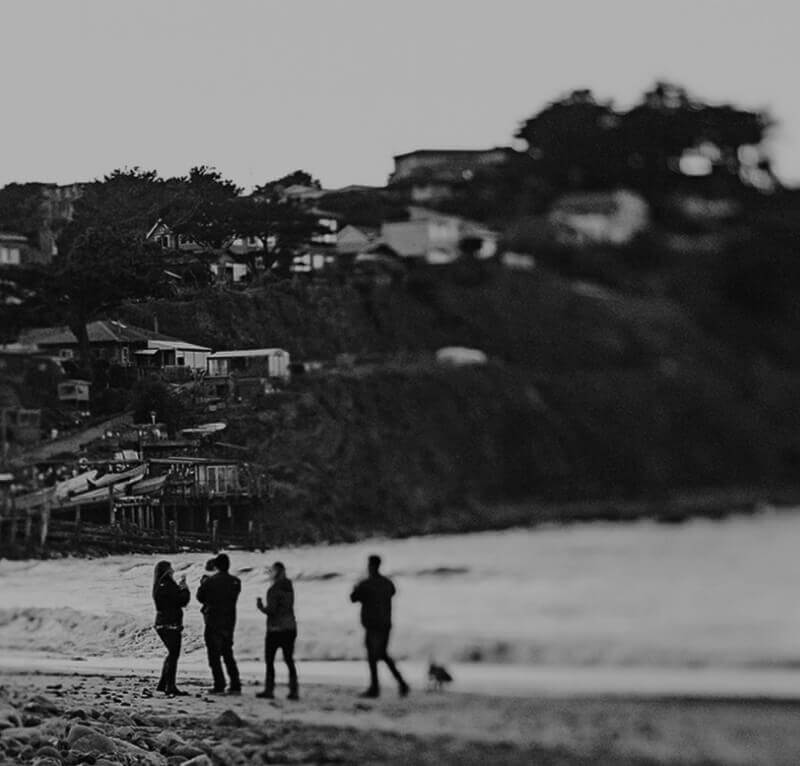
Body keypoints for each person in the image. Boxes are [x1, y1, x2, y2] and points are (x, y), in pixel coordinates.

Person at [350, 554, 409, 698]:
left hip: (372, 625)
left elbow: (353, 598)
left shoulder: (366, 584)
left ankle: (376, 687)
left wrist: (356, 587)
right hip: (385, 623)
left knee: (374, 656)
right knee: (382, 654)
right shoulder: (387, 583)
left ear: (371, 565)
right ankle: (400, 683)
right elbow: (393, 593)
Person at [196, 553, 242, 694]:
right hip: (229, 620)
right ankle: (235, 684)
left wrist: (203, 584)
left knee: (214, 655)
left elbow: (200, 597)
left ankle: (219, 684)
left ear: (216, 566)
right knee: (228, 653)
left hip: (213, 620)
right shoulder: (235, 581)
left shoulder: (210, 581)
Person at [256, 561, 299, 700]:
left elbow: (272, 610)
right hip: (290, 627)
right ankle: (294, 689)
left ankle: (269, 689)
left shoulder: (274, 589)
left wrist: (261, 607)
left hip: (275, 629)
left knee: (270, 660)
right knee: (289, 659)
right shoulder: (289, 587)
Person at [152, 560, 190, 697]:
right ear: (167, 571)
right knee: (174, 654)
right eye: (171, 568)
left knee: (171, 653)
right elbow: (181, 601)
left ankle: (163, 684)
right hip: (171, 623)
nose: (173, 570)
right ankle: (170, 686)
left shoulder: (158, 585)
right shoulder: (168, 584)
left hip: (161, 622)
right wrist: (184, 589)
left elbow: (170, 601)